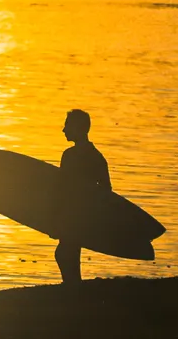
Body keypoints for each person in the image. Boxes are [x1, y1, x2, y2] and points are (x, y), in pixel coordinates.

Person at [55, 108, 110, 284]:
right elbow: (106, 190)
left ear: (78, 128)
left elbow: (62, 188)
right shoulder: (96, 156)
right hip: (78, 214)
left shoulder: (71, 155)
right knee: (67, 252)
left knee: (65, 252)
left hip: (76, 215)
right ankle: (73, 286)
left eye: (67, 125)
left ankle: (72, 287)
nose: (64, 130)